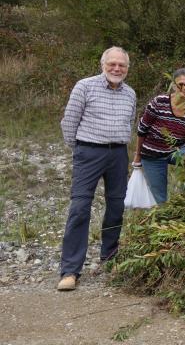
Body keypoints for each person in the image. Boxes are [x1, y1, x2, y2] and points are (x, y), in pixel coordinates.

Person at [58, 46, 136, 291]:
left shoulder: (130, 94)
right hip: (89, 152)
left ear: (127, 68)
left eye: (121, 65)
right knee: (80, 207)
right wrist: (80, 149)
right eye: (112, 64)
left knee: (115, 206)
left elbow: (130, 122)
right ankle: (70, 270)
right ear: (103, 64)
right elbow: (69, 122)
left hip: (118, 155)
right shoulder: (85, 86)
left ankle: (109, 258)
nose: (116, 68)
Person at [133, 68, 185, 204]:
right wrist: (138, 155)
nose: (184, 88)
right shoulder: (159, 102)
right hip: (153, 154)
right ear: (174, 85)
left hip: (175, 152)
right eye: (180, 84)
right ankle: (161, 217)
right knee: (160, 200)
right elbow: (142, 129)